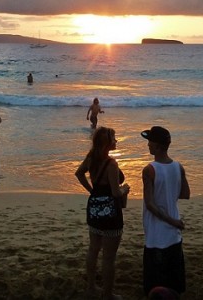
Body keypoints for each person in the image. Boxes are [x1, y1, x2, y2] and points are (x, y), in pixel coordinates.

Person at [75, 126, 129, 300]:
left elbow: (79, 173)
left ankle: (91, 287)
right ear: (108, 143)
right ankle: (108, 294)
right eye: (114, 138)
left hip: (94, 207)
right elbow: (115, 192)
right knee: (109, 257)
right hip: (110, 211)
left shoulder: (91, 158)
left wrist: (92, 190)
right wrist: (125, 189)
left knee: (93, 248)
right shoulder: (111, 164)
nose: (116, 141)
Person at [141, 126, 190, 297]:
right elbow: (185, 194)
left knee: (155, 287)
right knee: (174, 284)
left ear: (157, 145)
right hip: (173, 234)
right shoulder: (178, 167)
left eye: (150, 142)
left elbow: (150, 204)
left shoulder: (149, 170)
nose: (148, 145)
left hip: (156, 233)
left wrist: (171, 220)